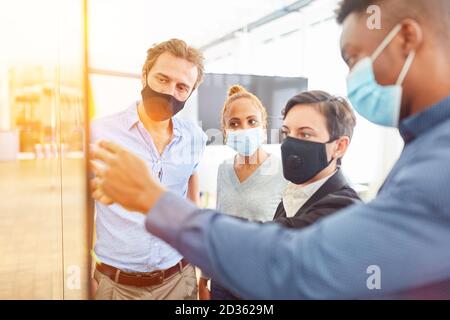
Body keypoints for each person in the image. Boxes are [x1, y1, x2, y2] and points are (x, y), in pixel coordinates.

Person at [92, 0, 450, 299]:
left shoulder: (436, 165)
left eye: (355, 57)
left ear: (405, 38)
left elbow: (297, 262)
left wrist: (153, 201)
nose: (352, 76)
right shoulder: (423, 144)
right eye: (288, 132)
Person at [90, 39, 207, 300]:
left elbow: (192, 204)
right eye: (162, 79)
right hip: (117, 285)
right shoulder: (100, 132)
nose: (170, 92)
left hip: (179, 279)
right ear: (144, 75)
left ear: (190, 93)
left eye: (181, 87)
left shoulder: (195, 138)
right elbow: (85, 204)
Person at [199, 85, 287, 300]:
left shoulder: (284, 172)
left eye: (252, 121)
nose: (244, 128)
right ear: (225, 130)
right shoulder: (223, 169)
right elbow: (218, 224)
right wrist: (204, 276)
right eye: (234, 123)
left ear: (264, 126)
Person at [274, 91, 360, 229]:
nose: (290, 143)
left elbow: (273, 237)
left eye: (305, 134)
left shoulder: (343, 209)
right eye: (286, 133)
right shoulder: (291, 196)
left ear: (339, 146)